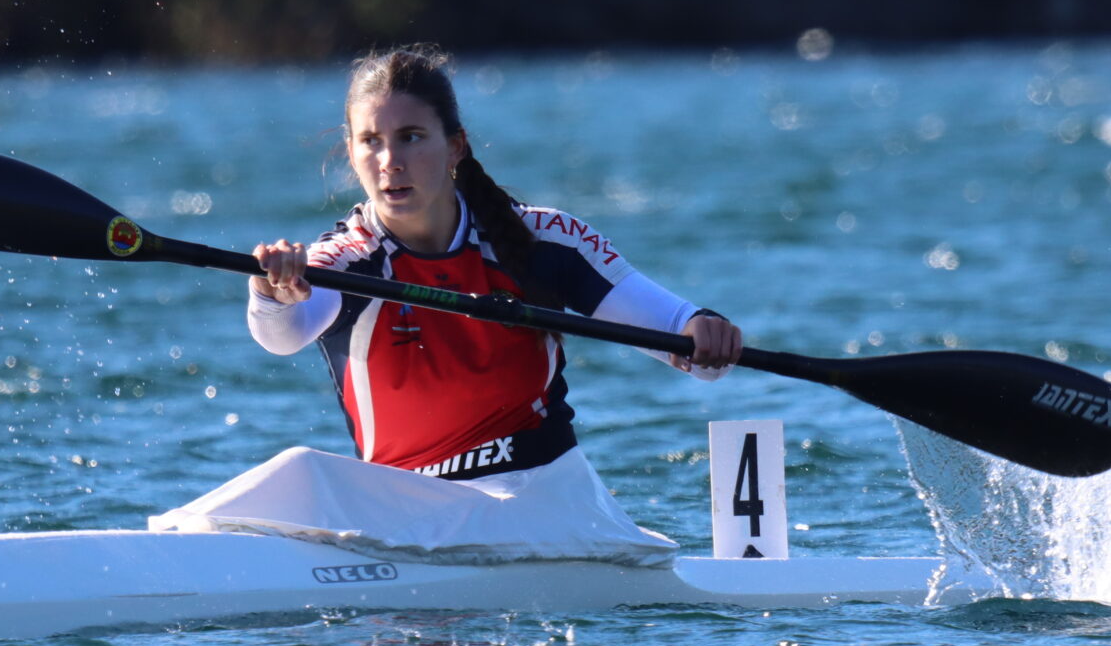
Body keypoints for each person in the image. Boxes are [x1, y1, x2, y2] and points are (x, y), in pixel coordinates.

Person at [148, 45, 743, 565]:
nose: (390, 161)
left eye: (411, 137)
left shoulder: (542, 240)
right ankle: (165, 552)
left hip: (539, 499)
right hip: (401, 513)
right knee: (301, 470)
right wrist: (270, 292)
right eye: (371, 142)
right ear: (351, 154)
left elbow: (669, 326)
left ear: (455, 146)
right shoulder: (345, 261)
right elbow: (282, 336)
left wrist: (702, 331)